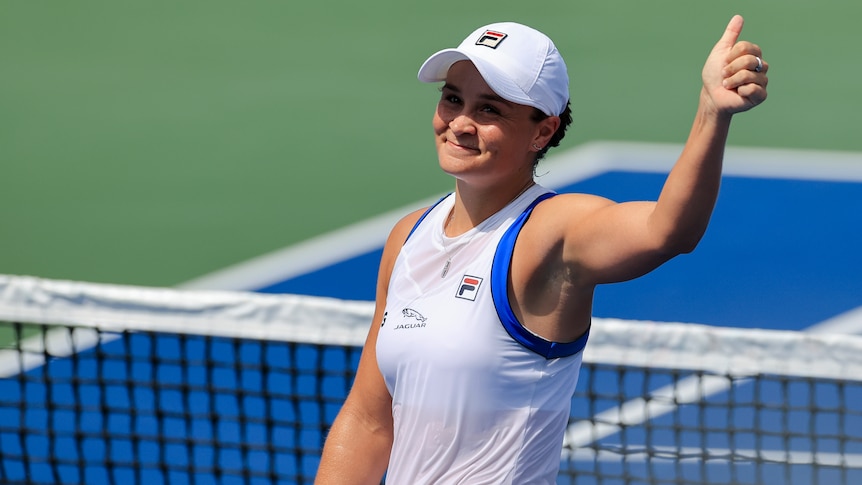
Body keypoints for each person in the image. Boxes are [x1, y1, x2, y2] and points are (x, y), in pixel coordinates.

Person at [315, 15, 768, 484]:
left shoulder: (550, 233)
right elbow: (369, 420)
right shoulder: (408, 237)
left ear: (542, 132)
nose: (460, 123)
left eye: (489, 110)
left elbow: (667, 230)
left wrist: (711, 113)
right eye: (453, 99)